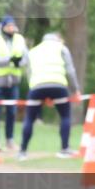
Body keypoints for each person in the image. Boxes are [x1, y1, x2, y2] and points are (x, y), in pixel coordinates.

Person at [18, 32, 81, 160]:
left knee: (29, 118)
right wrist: (76, 89)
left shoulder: (33, 51)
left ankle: (22, 152)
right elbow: (70, 70)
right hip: (58, 85)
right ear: (58, 39)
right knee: (65, 116)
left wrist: (36, 89)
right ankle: (64, 149)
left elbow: (29, 72)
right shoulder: (62, 48)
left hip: (36, 87)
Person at [0, 15, 27, 150]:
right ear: (2, 26)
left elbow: (26, 58)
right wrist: (10, 59)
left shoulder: (19, 39)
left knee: (12, 112)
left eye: (13, 26)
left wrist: (18, 62)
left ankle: (9, 140)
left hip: (13, 81)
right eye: (9, 26)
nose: (11, 28)